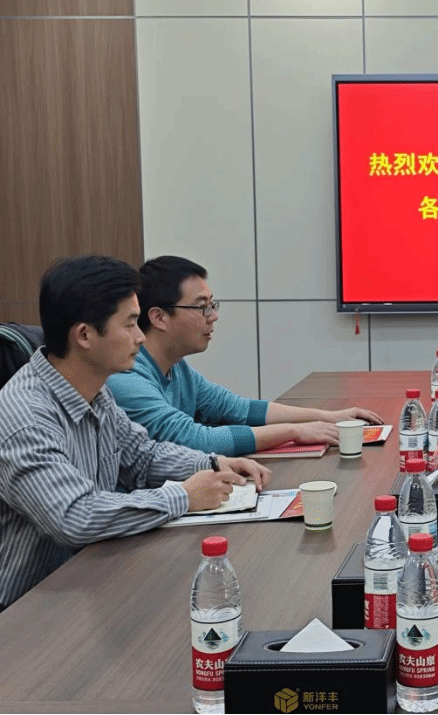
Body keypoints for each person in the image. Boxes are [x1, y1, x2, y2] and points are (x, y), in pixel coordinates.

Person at [0, 256, 271, 610]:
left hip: (90, 582)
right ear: (84, 335)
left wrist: (212, 463)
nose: (141, 337)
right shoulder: (26, 416)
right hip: (28, 610)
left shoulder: (95, 392)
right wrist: (182, 496)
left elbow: (142, 457)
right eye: (129, 324)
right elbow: (75, 516)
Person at [108, 256, 381, 457]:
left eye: (212, 305)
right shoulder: (126, 377)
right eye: (202, 307)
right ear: (158, 317)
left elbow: (238, 409)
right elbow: (195, 439)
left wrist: (331, 417)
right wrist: (294, 431)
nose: (213, 317)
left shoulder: (177, 368)